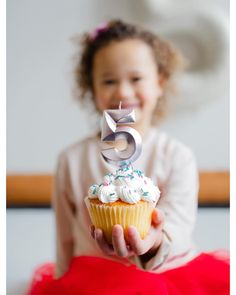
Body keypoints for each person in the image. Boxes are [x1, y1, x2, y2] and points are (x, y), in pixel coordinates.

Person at [27, 19, 229, 295]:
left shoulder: (177, 156)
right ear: (92, 88)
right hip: (93, 280)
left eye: (135, 79)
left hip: (167, 274)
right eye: (109, 80)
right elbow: (64, 238)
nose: (122, 92)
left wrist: (154, 242)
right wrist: (62, 280)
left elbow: (179, 226)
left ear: (159, 82)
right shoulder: (71, 160)